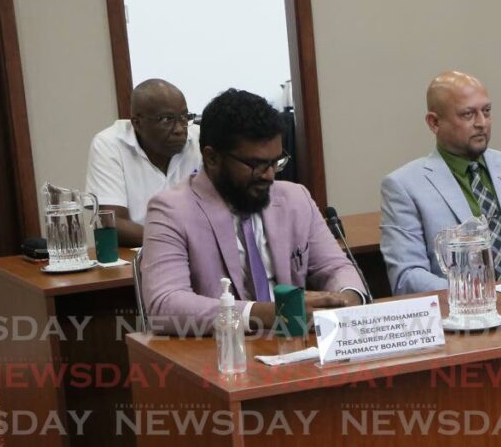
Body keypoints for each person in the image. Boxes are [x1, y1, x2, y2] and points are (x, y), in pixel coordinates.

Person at [141, 89, 365, 335]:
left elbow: (335, 268)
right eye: (255, 164)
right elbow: (165, 305)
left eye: (275, 162)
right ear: (212, 157)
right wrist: (268, 314)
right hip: (222, 355)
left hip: (297, 348)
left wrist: (348, 299)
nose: (269, 175)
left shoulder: (295, 198)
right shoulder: (170, 211)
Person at [380, 71, 501, 296]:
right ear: (434, 123)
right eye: (468, 114)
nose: (481, 123)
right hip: (465, 318)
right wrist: (479, 296)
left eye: (486, 111)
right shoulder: (404, 186)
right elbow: (407, 277)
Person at [85, 79, 202, 246]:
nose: (179, 129)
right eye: (167, 119)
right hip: (140, 257)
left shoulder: (200, 140)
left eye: (184, 117)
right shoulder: (109, 144)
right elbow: (112, 223)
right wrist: (179, 242)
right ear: (137, 123)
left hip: (199, 254)